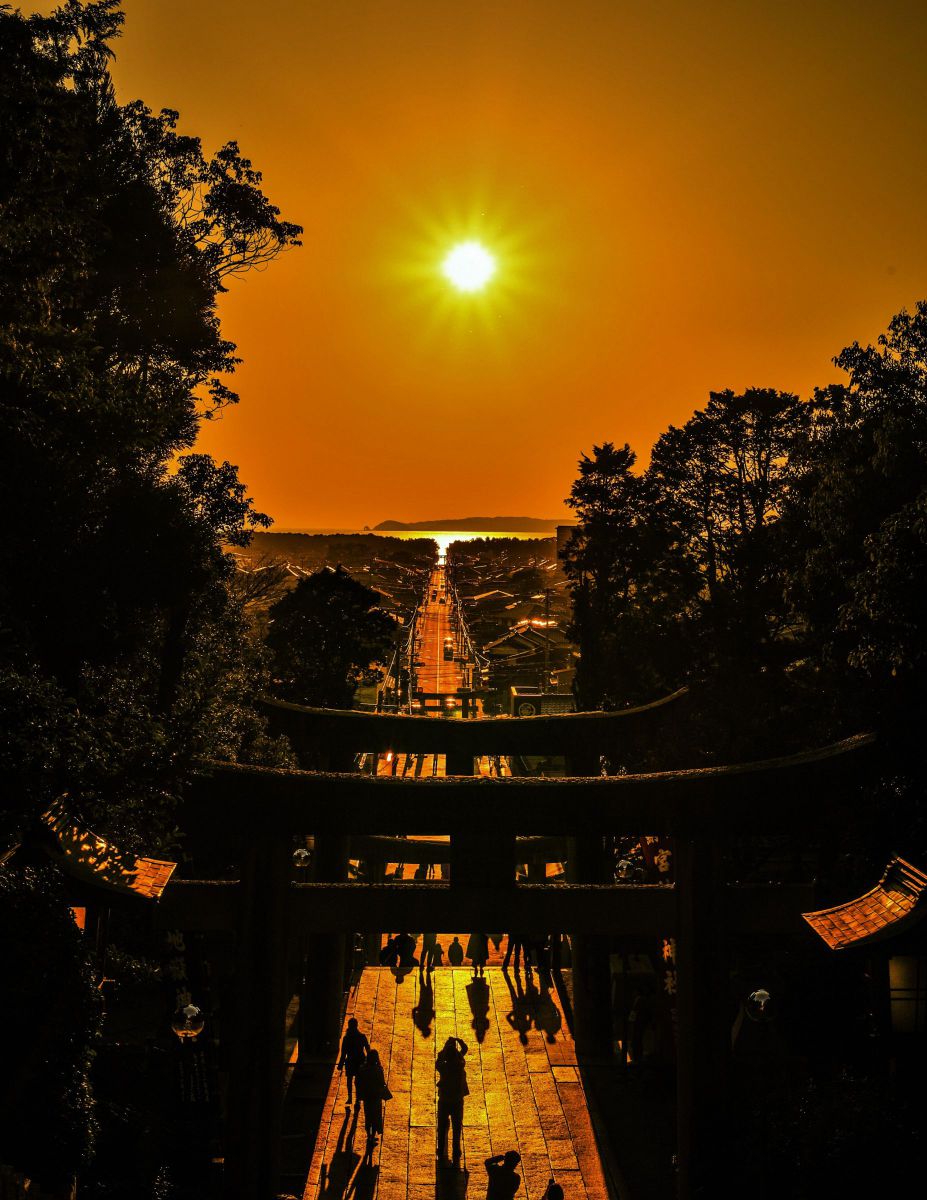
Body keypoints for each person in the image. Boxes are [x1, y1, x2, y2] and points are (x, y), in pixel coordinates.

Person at [435, 1035, 469, 1166]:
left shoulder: (443, 1067)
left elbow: (439, 1059)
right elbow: (464, 1050)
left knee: (442, 1126)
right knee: (456, 1127)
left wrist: (446, 1047)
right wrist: (459, 1041)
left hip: (444, 1100)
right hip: (457, 1101)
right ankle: (456, 1149)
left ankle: (440, 1148)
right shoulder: (460, 1065)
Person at [356, 1047, 390, 1142]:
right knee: (376, 1117)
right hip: (376, 1097)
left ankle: (368, 1135)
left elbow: (358, 1082)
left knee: (368, 1116)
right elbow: (382, 1082)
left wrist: (359, 1095)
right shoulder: (378, 1070)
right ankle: (372, 1136)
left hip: (367, 1097)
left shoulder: (362, 1069)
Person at [337, 1017, 369, 1107]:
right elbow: (368, 1049)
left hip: (350, 1061)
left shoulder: (346, 1038)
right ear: (357, 1025)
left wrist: (340, 1064)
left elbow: (343, 1053)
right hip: (360, 1061)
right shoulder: (362, 1037)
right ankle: (358, 1098)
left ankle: (350, 1097)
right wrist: (369, 1061)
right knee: (358, 1080)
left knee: (349, 1080)